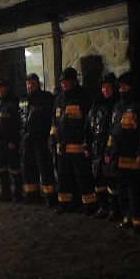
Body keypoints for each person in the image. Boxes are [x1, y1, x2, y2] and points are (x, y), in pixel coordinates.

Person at [107, 71, 140, 232]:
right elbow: (113, 131)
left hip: (134, 156)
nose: (121, 90)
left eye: (124, 87)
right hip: (119, 156)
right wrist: (108, 150)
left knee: (136, 191)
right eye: (119, 87)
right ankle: (127, 217)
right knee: (122, 190)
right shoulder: (118, 107)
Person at [50, 67, 96, 215]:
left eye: (66, 81)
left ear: (74, 81)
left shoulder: (83, 97)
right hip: (62, 146)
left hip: (78, 145)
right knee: (63, 177)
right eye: (62, 81)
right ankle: (65, 203)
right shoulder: (58, 98)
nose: (63, 84)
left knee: (83, 176)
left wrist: (87, 142)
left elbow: (88, 122)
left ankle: (89, 205)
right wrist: (52, 138)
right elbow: (55, 121)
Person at [19, 73, 57, 207]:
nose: (30, 86)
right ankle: (32, 195)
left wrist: (50, 136)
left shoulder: (46, 98)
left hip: (41, 139)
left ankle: (50, 197)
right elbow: (20, 118)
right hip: (27, 139)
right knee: (28, 168)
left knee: (44, 167)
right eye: (28, 83)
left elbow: (51, 118)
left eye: (32, 83)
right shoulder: (23, 99)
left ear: (38, 84)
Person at [88, 72, 120, 220]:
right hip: (97, 146)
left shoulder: (117, 105)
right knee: (98, 178)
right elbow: (88, 126)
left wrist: (110, 149)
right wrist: (87, 144)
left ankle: (115, 209)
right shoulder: (97, 104)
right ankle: (103, 207)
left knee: (111, 180)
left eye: (107, 87)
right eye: (102, 87)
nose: (105, 90)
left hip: (110, 147)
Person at [0, 79, 23, 202]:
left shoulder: (13, 102)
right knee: (1, 169)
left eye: (2, 87)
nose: (0, 89)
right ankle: (6, 193)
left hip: (9, 142)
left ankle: (18, 194)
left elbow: (16, 123)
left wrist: (14, 141)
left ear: (7, 88)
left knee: (14, 169)